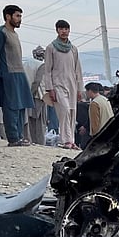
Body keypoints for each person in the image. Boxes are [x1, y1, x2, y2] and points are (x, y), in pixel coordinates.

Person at [0, 5, 33, 147]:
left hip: (19, 73)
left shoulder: (14, 33)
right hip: (8, 74)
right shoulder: (0, 33)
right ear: (8, 17)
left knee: (21, 107)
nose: (20, 19)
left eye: (20, 16)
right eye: (17, 16)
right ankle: (13, 138)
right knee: (11, 107)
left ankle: (19, 136)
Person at [43, 19, 83, 149]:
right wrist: (50, 88)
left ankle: (71, 141)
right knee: (64, 110)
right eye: (61, 29)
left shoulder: (73, 49)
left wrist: (79, 89)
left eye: (66, 29)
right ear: (57, 31)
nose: (64, 31)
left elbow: (78, 70)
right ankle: (65, 140)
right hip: (58, 84)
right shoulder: (51, 48)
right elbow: (47, 70)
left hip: (72, 84)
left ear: (69, 30)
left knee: (72, 112)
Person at [23, 45, 47, 145]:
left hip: (26, 94)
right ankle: (40, 143)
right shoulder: (42, 65)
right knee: (40, 123)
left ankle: (31, 140)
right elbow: (37, 82)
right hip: (38, 96)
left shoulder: (26, 64)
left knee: (29, 121)